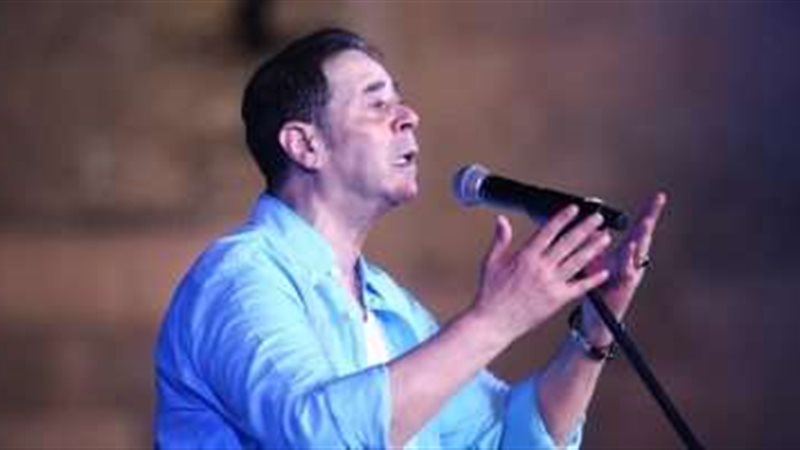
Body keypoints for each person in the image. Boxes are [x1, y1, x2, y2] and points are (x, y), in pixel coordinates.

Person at [154, 28, 666, 449]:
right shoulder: (240, 278)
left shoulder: (386, 301)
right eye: (377, 104)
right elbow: (320, 437)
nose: (409, 116)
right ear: (305, 145)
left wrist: (593, 336)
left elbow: (502, 438)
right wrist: (497, 319)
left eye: (399, 100)